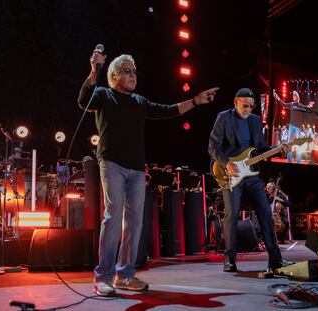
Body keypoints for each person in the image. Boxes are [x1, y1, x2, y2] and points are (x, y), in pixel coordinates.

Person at [78, 47, 219, 296]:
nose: (133, 76)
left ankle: (125, 275)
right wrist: (93, 71)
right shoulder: (103, 94)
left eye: (134, 72)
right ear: (114, 76)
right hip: (111, 163)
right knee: (113, 218)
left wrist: (195, 101)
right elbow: (83, 100)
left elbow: (167, 110)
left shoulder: (139, 101)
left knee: (134, 221)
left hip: (136, 168)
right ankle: (103, 276)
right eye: (126, 71)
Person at [208, 88, 291, 273]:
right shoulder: (223, 118)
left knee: (265, 213)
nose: (247, 109)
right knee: (232, 214)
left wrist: (277, 149)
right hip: (230, 173)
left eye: (251, 106)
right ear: (235, 102)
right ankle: (229, 259)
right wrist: (227, 163)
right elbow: (212, 147)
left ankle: (275, 260)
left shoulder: (255, 121)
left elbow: (260, 148)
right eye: (244, 105)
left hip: (252, 174)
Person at [273, 90, 315, 164]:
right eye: (293, 95)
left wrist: (309, 106)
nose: (293, 96)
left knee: (298, 144)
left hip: (298, 127)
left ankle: (298, 162)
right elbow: (284, 104)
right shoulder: (291, 104)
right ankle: (289, 161)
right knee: (289, 144)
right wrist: (277, 97)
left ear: (297, 97)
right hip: (291, 126)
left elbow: (306, 108)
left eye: (295, 95)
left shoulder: (299, 105)